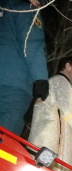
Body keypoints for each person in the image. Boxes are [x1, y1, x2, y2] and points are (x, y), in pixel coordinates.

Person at [28, 56, 72, 171]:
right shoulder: (60, 82)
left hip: (42, 137)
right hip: (51, 144)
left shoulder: (52, 82)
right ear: (67, 66)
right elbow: (68, 106)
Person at [0, 0, 48, 135]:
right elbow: (32, 44)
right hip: (13, 85)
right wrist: (41, 79)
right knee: (5, 138)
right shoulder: (26, 9)